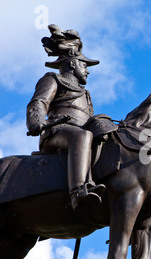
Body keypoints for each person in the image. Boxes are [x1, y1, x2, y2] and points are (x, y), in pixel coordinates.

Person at [26, 25, 105, 210]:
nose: (87, 70)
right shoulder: (53, 79)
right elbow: (38, 103)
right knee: (82, 136)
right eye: (84, 65)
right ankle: (78, 192)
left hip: (80, 132)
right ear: (72, 63)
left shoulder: (85, 93)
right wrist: (36, 122)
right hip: (55, 131)